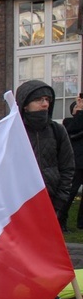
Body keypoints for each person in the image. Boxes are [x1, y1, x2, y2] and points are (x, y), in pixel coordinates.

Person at [15, 80, 75, 231]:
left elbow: (67, 168)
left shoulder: (58, 131)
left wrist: (59, 203)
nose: (45, 104)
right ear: (25, 105)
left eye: (47, 99)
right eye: (38, 100)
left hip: (50, 201)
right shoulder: (14, 132)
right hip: (21, 204)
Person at [61, 98, 83, 231]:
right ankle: (61, 219)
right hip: (76, 163)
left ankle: (81, 222)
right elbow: (73, 129)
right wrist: (79, 113)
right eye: (77, 107)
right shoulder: (68, 122)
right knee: (71, 192)